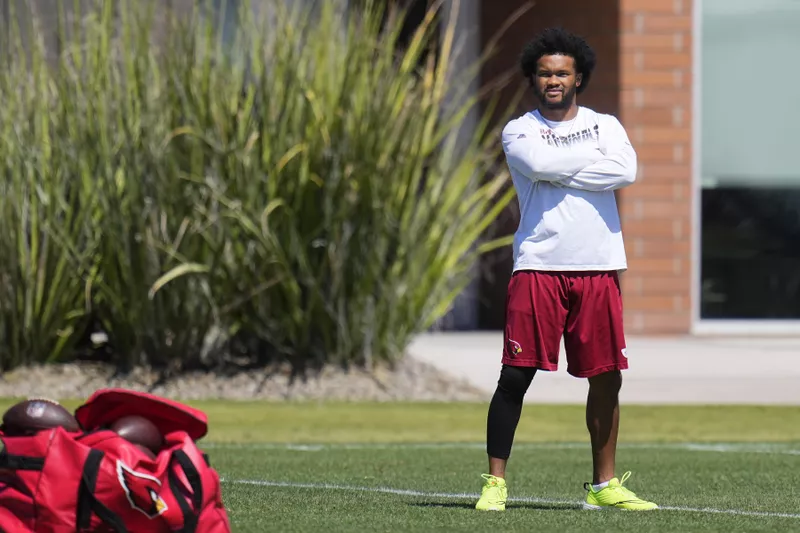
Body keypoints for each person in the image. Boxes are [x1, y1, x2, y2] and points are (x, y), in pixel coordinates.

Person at [475, 27, 657, 512]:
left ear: (579, 78)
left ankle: (605, 484)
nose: (553, 80)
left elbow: (626, 171)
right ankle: (495, 484)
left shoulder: (608, 126)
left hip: (599, 267)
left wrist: (560, 166)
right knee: (515, 376)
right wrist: (583, 164)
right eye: (544, 73)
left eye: (562, 73)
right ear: (534, 78)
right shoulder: (520, 130)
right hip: (538, 265)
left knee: (607, 377)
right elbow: (535, 161)